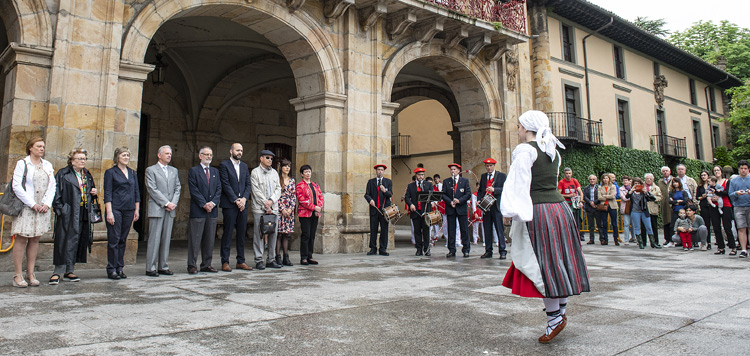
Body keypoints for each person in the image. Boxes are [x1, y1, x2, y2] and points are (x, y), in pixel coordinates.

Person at [500, 110, 590, 343]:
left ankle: (554, 319)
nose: (518, 131)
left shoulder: (526, 150)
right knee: (560, 259)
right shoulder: (553, 150)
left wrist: (511, 211)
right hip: (560, 210)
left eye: (519, 126)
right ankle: (559, 312)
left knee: (542, 263)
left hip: (539, 211)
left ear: (527, 128)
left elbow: (518, 182)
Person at [11, 137, 56, 287]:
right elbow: (16, 186)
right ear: (30, 148)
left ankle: (30, 273)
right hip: (26, 206)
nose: (42, 149)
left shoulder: (48, 165)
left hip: (42, 207)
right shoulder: (22, 163)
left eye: (43, 146)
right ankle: (17, 274)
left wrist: (46, 204)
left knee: (35, 238)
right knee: (22, 238)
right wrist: (32, 203)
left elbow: (52, 186)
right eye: (38, 146)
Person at [50, 148, 97, 285]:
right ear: (72, 161)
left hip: (83, 211)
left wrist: (93, 192)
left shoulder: (87, 174)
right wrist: (62, 210)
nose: (82, 161)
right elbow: (56, 194)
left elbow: (89, 191)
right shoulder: (63, 174)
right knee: (63, 241)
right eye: (79, 159)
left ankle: (69, 270)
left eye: (84, 159)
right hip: (69, 212)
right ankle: (57, 271)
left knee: (77, 240)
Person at [104, 147, 140, 280]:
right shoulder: (111, 172)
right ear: (117, 157)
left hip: (129, 209)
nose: (126, 157)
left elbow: (136, 191)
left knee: (123, 239)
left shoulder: (132, 173)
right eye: (123, 155)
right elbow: (107, 193)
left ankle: (120, 267)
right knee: (114, 238)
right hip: (116, 209)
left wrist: (137, 209)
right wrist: (109, 212)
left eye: (128, 155)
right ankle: (111, 268)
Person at [144, 145, 181, 277]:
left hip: (170, 209)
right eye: (166, 153)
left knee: (166, 238)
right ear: (159, 155)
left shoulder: (174, 171)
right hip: (157, 208)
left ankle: (163, 266)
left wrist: (173, 203)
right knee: (154, 238)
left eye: (170, 154)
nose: (169, 155)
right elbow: (152, 189)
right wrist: (166, 202)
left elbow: (178, 188)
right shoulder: (151, 170)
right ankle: (151, 267)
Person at [186, 146, 221, 274]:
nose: (209, 157)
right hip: (198, 210)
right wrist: (203, 204)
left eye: (211, 155)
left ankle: (207, 264)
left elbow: (218, 189)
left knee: (209, 239)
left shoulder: (215, 172)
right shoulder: (193, 171)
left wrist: (212, 203)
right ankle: (192, 265)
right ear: (200, 156)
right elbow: (194, 190)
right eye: (206, 154)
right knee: (195, 239)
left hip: (212, 211)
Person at [218, 143, 253, 271]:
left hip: (243, 205)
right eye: (237, 150)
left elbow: (248, 184)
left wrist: (243, 199)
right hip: (230, 204)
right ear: (231, 151)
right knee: (227, 233)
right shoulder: (224, 165)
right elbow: (225, 184)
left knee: (241, 233)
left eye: (241, 150)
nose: (240, 152)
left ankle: (241, 261)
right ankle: (225, 261)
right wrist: (235, 200)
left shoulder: (244, 166)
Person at [250, 149, 282, 270]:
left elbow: (278, 189)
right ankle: (259, 260)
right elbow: (256, 190)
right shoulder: (255, 172)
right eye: (267, 158)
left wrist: (272, 201)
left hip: (273, 208)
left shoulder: (274, 173)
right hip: (260, 208)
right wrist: (265, 203)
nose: (270, 160)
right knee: (259, 234)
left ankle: (271, 259)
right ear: (261, 158)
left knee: (273, 233)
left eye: (271, 158)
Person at [478, 158, 507, 259]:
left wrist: (495, 189)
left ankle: (502, 250)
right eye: (487, 166)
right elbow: (481, 190)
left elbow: (506, 189)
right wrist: (479, 199)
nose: (489, 168)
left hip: (496, 206)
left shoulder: (501, 176)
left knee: (499, 229)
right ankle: (488, 251)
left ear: (494, 166)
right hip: (486, 206)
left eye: (490, 166)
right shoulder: (483, 176)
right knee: (487, 229)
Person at [442, 163, 472, 257]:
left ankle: (466, 249)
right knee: (451, 230)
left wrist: (459, 201)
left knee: (464, 229)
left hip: (461, 208)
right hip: (451, 208)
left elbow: (468, 194)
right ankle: (452, 249)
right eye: (451, 169)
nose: (453, 171)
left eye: (454, 169)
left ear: (458, 171)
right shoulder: (446, 181)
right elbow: (443, 194)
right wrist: (450, 202)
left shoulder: (464, 181)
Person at [297, 165, 323, 265]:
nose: (308, 174)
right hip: (305, 214)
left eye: (309, 172)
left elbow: (320, 197)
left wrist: (319, 208)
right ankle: (303, 257)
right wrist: (313, 207)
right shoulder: (300, 185)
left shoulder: (315, 185)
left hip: (315, 214)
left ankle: (310, 256)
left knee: (312, 235)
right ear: (302, 174)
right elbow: (302, 200)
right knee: (306, 235)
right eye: (306, 172)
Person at [364, 164, 393, 256]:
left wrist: (385, 191)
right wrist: (370, 200)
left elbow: (390, 194)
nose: (380, 171)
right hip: (374, 209)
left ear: (384, 171)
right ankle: (373, 248)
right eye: (378, 170)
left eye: (382, 170)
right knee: (373, 229)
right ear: (376, 171)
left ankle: (383, 248)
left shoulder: (388, 182)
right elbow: (367, 194)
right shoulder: (371, 182)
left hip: (384, 210)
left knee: (384, 229)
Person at [404, 167, 433, 256]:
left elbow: (432, 195)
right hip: (415, 212)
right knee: (417, 231)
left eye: (422, 175)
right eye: (419, 175)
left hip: (425, 211)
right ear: (416, 175)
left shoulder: (428, 185)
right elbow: (406, 197)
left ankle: (427, 249)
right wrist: (411, 204)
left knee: (426, 231)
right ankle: (419, 249)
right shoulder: (411, 186)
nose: (421, 177)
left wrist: (430, 201)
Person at [625, 178, 657, 249]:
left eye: (639, 183)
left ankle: (653, 243)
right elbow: (626, 197)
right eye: (635, 183)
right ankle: (640, 243)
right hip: (635, 211)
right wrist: (631, 191)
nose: (637, 185)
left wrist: (646, 192)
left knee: (648, 226)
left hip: (644, 211)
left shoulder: (643, 191)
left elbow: (652, 198)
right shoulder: (632, 191)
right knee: (637, 227)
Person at [713, 165, 737, 255]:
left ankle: (733, 247)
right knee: (716, 227)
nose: (716, 172)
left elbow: (728, 193)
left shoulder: (727, 181)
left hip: (726, 205)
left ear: (721, 171)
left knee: (727, 226)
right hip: (715, 205)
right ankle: (721, 247)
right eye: (715, 170)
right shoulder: (712, 182)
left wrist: (718, 193)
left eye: (718, 170)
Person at [276, 158, 296, 266]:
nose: (287, 168)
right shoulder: (278, 179)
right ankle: (277, 256)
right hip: (280, 210)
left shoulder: (292, 180)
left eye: (289, 166)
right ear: (281, 168)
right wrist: (282, 209)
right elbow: (276, 195)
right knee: (279, 234)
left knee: (286, 235)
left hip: (289, 210)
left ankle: (286, 257)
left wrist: (290, 209)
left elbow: (293, 196)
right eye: (285, 166)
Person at [728, 160, 750, 258]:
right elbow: (730, 194)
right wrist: (736, 193)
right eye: (741, 169)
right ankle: (744, 249)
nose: (743, 170)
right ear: (738, 169)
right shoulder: (734, 181)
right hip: (738, 207)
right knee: (741, 228)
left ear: (748, 169)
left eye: (745, 168)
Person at [558, 167, 583, 241]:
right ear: (564, 174)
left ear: (571, 174)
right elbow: (559, 194)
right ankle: (567, 236)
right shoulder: (561, 182)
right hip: (566, 203)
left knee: (577, 220)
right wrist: (568, 195)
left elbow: (580, 192)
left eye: (569, 173)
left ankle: (577, 236)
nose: (568, 175)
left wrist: (580, 202)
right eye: (567, 173)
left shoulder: (575, 181)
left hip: (575, 203)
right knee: (567, 220)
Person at [697, 171, 720, 251]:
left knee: (715, 223)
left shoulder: (713, 185)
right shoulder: (700, 186)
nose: (703, 177)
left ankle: (718, 241)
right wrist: (703, 197)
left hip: (712, 205)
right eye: (702, 175)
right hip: (704, 206)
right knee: (706, 224)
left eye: (704, 175)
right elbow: (697, 197)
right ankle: (708, 242)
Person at [597, 173, 619, 245]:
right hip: (603, 206)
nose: (605, 180)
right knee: (604, 223)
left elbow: (613, 196)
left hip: (612, 205)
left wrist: (605, 196)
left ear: (609, 179)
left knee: (614, 223)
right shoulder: (600, 187)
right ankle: (605, 239)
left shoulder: (613, 186)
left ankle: (616, 239)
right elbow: (599, 197)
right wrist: (608, 196)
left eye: (606, 178)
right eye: (604, 178)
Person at [642, 173, 662, 248]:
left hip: (653, 208)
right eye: (647, 178)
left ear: (653, 179)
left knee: (654, 226)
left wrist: (653, 198)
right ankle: (643, 242)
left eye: (650, 179)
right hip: (644, 208)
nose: (649, 180)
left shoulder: (656, 188)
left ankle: (655, 242)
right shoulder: (642, 187)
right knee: (643, 227)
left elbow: (660, 197)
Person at [666, 179, 687, 248]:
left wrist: (675, 202)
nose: (675, 184)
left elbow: (685, 201)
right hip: (675, 211)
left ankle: (685, 241)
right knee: (672, 225)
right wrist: (677, 201)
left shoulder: (684, 192)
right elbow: (669, 201)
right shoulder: (671, 192)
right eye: (673, 182)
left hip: (683, 211)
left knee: (684, 225)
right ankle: (671, 241)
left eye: (676, 182)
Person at [658, 166, 674, 246]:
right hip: (664, 203)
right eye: (663, 171)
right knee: (665, 221)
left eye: (667, 171)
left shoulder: (674, 180)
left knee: (672, 221)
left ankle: (673, 238)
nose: (665, 172)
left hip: (672, 203)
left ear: (670, 172)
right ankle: (667, 238)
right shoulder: (660, 182)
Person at [582, 175, 600, 244]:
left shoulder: (599, 187)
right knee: (591, 225)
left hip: (597, 207)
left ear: (596, 180)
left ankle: (602, 238)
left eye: (593, 179)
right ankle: (591, 239)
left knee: (599, 224)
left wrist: (595, 202)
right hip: (589, 208)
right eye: (590, 179)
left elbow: (600, 196)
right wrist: (590, 202)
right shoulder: (586, 188)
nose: (592, 180)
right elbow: (584, 196)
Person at [619, 176, 633, 245]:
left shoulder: (633, 188)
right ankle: (626, 239)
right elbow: (624, 198)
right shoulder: (621, 189)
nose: (625, 182)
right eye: (624, 181)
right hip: (625, 208)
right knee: (626, 224)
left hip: (633, 207)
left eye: (626, 180)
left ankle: (634, 238)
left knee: (634, 224)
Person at [432, 174, 445, 240]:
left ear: (439, 179)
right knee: (436, 220)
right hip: (436, 204)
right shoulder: (433, 187)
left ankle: (445, 234)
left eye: (437, 179)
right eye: (435, 179)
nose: (436, 180)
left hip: (442, 204)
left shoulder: (442, 186)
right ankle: (436, 235)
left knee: (444, 220)